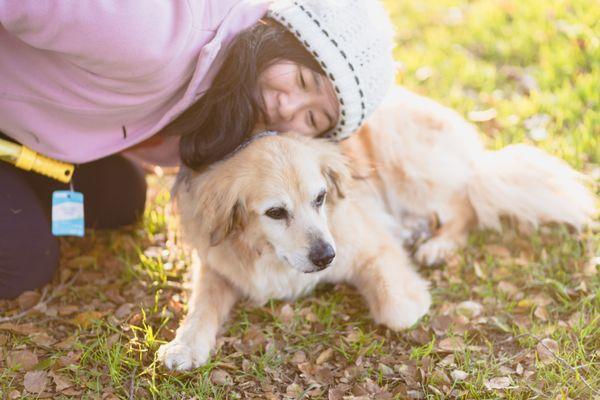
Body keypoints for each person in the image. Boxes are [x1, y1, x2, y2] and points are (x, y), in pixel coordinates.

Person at [0, 0, 395, 299]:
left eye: (312, 118)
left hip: (24, 127)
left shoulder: (230, 109)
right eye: (304, 80)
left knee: (119, 201)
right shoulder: (148, 33)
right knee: (24, 263)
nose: (288, 107)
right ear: (278, 36)